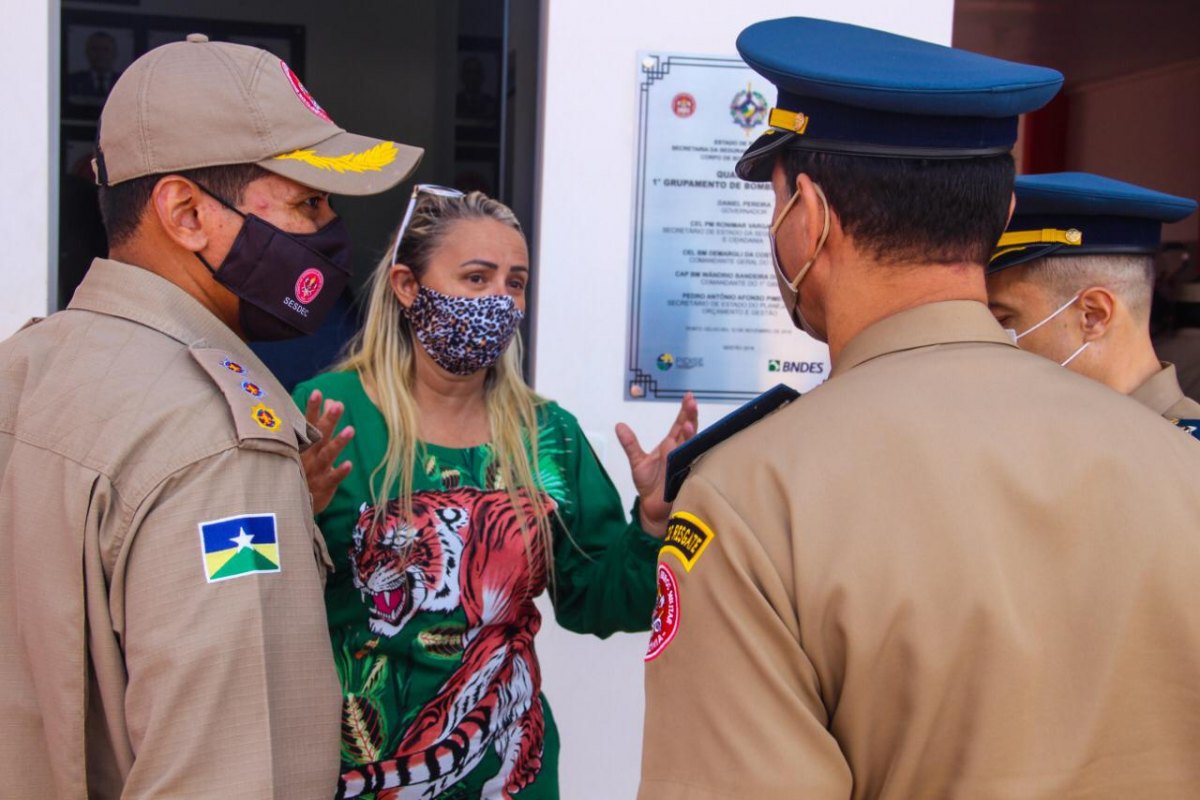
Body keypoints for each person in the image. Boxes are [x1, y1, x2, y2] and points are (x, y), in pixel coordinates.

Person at [639, 17, 1200, 799]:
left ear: (807, 216)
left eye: (774, 204)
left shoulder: (753, 499)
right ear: (1001, 215)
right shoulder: (1182, 465)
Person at [0, 34, 423, 797]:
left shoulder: (25, 372)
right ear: (186, 213)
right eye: (307, 201)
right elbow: (231, 771)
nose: (331, 232)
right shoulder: (221, 444)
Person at [292, 186, 697, 799]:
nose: (500, 301)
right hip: (354, 771)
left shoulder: (547, 437)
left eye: (515, 283)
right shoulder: (328, 416)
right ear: (407, 286)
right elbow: (260, 601)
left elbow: (599, 603)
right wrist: (297, 512)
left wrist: (650, 524)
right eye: (476, 278)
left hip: (506, 774)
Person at [986, 172, 1200, 425]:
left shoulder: (1187, 453)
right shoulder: (1017, 431)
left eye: (1001, 319)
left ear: (1093, 315)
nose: (984, 333)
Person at [66, 30, 122, 104]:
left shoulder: (123, 82)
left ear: (115, 53)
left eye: (106, 50)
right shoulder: (73, 81)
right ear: (87, 52)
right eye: (95, 49)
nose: (100, 54)